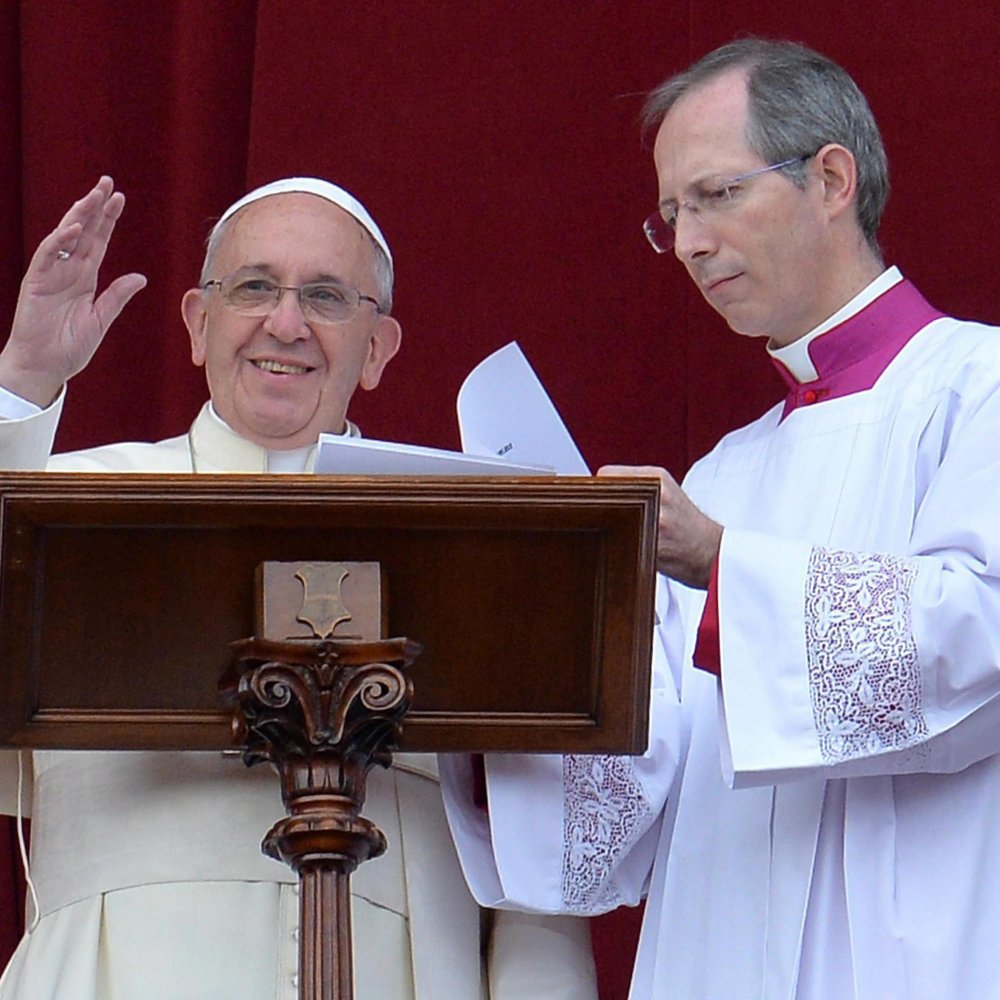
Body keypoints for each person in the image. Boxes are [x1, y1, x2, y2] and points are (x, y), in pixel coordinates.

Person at [439, 38, 1000, 1000]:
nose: (690, 242)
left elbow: (977, 634)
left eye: (716, 196)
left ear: (830, 179)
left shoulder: (977, 387)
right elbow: (629, 807)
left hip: (909, 948)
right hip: (714, 943)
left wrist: (721, 570)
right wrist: (516, 671)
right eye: (670, 216)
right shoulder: (724, 471)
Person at [0, 176, 599, 999]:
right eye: (253, 287)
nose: (285, 323)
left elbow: (538, 860)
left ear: (380, 347)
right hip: (121, 968)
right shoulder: (72, 500)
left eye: (325, 295)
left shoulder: (473, 538)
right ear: (198, 324)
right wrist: (23, 384)